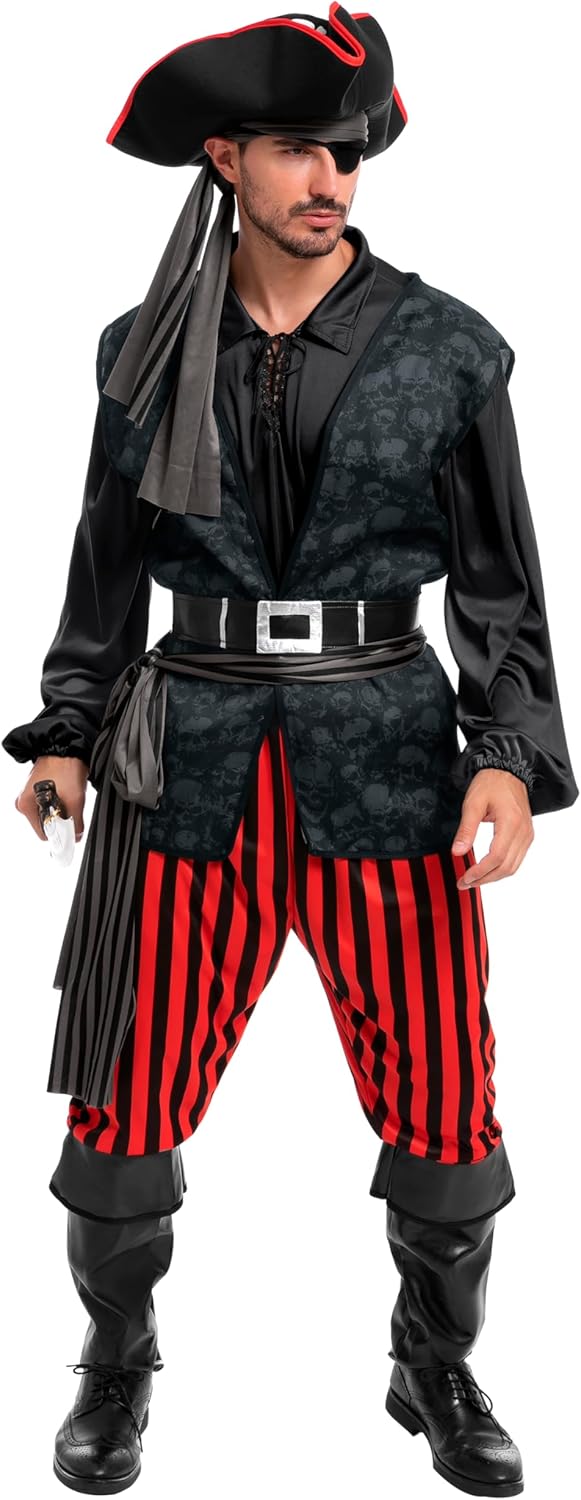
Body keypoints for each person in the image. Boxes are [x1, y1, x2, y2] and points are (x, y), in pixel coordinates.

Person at [2, 5, 578, 1495]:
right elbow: (101, 569)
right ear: (227, 160)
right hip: (183, 757)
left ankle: (433, 1361)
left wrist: (506, 751)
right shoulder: (143, 347)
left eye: (347, 153)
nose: (331, 180)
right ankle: (114, 1363)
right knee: (124, 1096)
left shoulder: (449, 347)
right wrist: (66, 728)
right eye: (299, 152)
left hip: (386, 756)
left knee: (445, 1096)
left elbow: (501, 583)